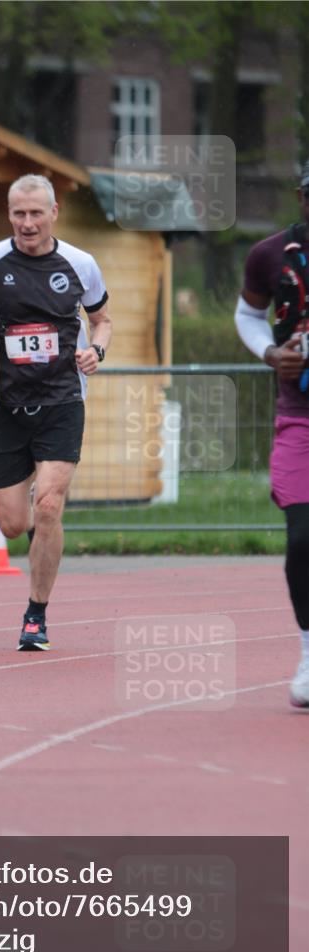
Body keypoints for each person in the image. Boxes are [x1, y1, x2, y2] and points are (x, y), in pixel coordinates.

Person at [0, 174, 112, 651]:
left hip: (63, 400)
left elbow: (101, 319)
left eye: (36, 213)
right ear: (9, 214)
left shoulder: (80, 264)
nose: (27, 223)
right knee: (13, 524)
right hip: (7, 406)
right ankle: (41, 541)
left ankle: (35, 614)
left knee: (48, 504)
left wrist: (97, 353)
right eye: (19, 214)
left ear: (54, 212)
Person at [234, 159, 309, 708]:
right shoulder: (269, 256)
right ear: (302, 198)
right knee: (303, 543)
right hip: (300, 418)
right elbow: (247, 315)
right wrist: (269, 352)